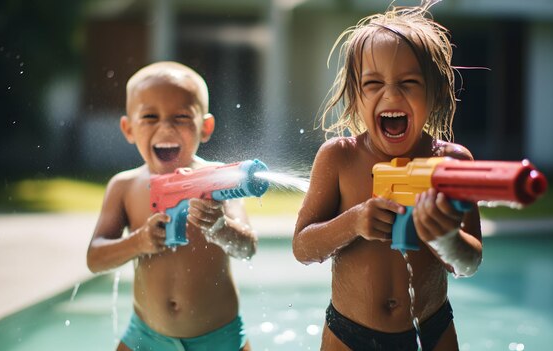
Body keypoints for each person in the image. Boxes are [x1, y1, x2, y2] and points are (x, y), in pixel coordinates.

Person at [293, 2, 482, 351]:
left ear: (436, 92)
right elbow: (302, 247)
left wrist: (445, 238)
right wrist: (352, 222)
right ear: (356, 94)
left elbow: (470, 262)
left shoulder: (452, 162)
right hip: (349, 333)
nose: (391, 95)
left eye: (409, 82)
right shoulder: (340, 158)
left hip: (432, 328)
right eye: (373, 83)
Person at [86, 61, 256, 351]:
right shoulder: (124, 187)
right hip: (146, 336)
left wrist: (220, 227)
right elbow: (95, 258)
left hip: (217, 338)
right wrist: (137, 242)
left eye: (181, 117)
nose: (166, 127)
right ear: (128, 128)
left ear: (205, 127)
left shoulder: (219, 180)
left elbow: (247, 248)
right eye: (150, 117)